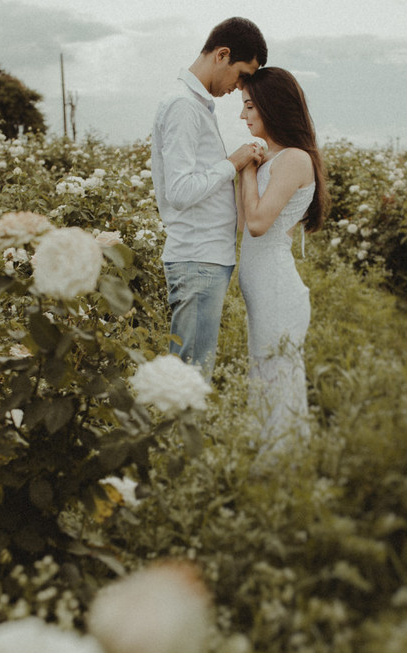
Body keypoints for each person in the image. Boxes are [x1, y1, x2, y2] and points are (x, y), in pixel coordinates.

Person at [151, 17, 268, 378]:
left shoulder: (197, 105)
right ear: (222, 55)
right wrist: (232, 163)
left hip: (204, 258)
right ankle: (180, 435)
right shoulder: (184, 105)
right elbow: (181, 191)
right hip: (197, 258)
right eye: (243, 74)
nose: (241, 87)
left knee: (192, 370)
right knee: (190, 376)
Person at [236, 67, 329, 455]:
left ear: (272, 108)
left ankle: (280, 473)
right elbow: (245, 221)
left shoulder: (292, 159)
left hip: (276, 288)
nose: (243, 116)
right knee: (266, 377)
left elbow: (257, 224)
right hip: (266, 289)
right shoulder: (277, 159)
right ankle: (273, 470)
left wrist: (247, 168)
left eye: (250, 106)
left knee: (277, 377)